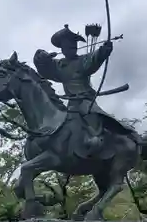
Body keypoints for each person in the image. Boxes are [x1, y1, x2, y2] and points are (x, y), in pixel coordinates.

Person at [33, 24, 140, 155]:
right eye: (67, 46)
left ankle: (97, 139)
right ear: (62, 48)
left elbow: (94, 59)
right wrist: (40, 59)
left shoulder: (83, 60)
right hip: (71, 103)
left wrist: (103, 51)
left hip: (85, 99)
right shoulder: (59, 65)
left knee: (91, 114)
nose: (71, 48)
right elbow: (46, 70)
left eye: (73, 45)